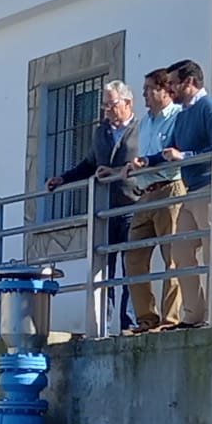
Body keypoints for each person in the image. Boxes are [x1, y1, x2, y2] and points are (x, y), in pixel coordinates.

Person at [48, 80, 138, 331]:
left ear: (127, 103)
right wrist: (63, 179)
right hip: (105, 210)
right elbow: (89, 164)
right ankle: (104, 324)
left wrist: (116, 171)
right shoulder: (101, 132)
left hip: (132, 205)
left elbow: (144, 164)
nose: (107, 110)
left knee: (131, 266)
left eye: (112, 104)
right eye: (105, 105)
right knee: (105, 268)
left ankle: (128, 322)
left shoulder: (141, 129)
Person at [155, 58, 212, 330]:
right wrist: (146, 162)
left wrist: (185, 156)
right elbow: (172, 149)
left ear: (190, 82)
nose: (170, 90)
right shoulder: (183, 115)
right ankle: (193, 315)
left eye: (174, 84)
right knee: (181, 249)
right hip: (192, 191)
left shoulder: (211, 107)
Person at [120, 68, 188, 332]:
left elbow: (174, 152)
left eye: (149, 89)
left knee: (171, 255)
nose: (145, 95)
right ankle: (146, 319)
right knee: (134, 256)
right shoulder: (145, 121)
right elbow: (143, 156)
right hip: (146, 191)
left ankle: (170, 319)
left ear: (164, 90)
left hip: (170, 187)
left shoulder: (177, 117)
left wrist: (148, 162)